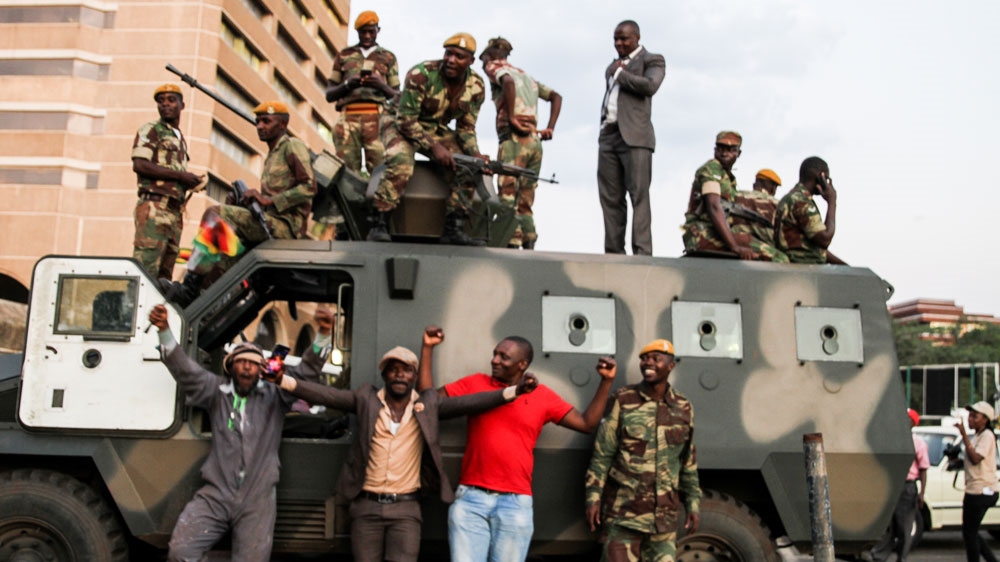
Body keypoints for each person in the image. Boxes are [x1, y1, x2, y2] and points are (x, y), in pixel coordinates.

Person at [265, 326, 538, 562]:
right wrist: (283, 380)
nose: (398, 375)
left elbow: (471, 401)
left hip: (406, 510)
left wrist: (514, 391)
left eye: (405, 370)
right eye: (392, 370)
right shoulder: (365, 399)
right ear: (384, 375)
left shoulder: (427, 406)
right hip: (366, 506)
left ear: (414, 375)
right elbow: (326, 395)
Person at [147, 304, 329, 562]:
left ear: (260, 370)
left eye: (253, 364)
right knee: (180, 552)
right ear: (231, 367)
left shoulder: (274, 396)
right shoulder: (216, 392)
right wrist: (164, 330)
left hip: (258, 499)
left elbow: (306, 372)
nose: (246, 368)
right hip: (216, 494)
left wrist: (323, 333)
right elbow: (185, 370)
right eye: (241, 362)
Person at [417, 329, 617, 562]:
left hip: (514, 504)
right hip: (471, 500)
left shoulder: (543, 396)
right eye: (495, 354)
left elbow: (586, 423)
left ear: (522, 364)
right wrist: (428, 348)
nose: (495, 360)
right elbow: (427, 403)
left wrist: (606, 381)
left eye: (504, 357)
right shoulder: (475, 383)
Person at [163, 101, 316, 306]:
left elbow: (309, 187)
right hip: (268, 221)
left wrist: (269, 200)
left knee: (214, 213)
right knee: (220, 248)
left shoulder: (292, 146)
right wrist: (242, 204)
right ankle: (202, 300)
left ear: (282, 125)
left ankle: (190, 287)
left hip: (284, 228)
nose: (260, 126)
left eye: (266, 121)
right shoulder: (271, 155)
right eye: (258, 122)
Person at [585, 339, 701, 562]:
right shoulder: (622, 399)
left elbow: (687, 461)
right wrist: (593, 498)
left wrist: (693, 503)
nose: (648, 363)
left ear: (670, 366)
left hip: (664, 521)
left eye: (656, 359)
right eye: (644, 359)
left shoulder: (683, 406)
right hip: (624, 516)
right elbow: (602, 454)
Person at [367, 33, 487, 246]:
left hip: (434, 128)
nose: (451, 60)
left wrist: (475, 154)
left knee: (469, 167)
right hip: (399, 121)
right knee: (401, 162)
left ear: (470, 61)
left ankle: (454, 227)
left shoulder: (476, 86)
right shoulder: (421, 74)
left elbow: (466, 127)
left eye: (459, 56)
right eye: (448, 54)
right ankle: (379, 222)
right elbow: (406, 120)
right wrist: (434, 148)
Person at [316, 10, 399, 241]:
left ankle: (379, 223)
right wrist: (347, 84)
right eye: (363, 32)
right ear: (358, 32)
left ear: (378, 31)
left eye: (371, 31)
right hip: (348, 118)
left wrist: (381, 85)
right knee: (345, 174)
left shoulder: (388, 57)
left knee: (380, 171)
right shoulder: (344, 55)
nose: (367, 36)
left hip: (377, 117)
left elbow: (397, 95)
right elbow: (329, 93)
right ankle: (344, 226)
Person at [479, 37, 562, 249]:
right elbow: (555, 96)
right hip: (534, 140)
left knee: (508, 194)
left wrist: (513, 117)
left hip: (514, 139)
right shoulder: (526, 76)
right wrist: (549, 127)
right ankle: (529, 238)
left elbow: (505, 81)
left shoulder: (494, 67)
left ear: (490, 54)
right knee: (525, 198)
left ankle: (512, 241)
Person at [597, 20, 665, 256]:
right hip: (609, 134)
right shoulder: (612, 66)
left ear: (636, 37)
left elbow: (649, 86)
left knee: (639, 195)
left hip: (635, 137)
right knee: (610, 197)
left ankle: (642, 253)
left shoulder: (652, 59)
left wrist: (619, 73)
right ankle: (614, 252)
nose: (619, 43)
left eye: (624, 38)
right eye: (616, 39)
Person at [131, 83, 205, 280]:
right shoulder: (152, 130)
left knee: (165, 275)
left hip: (174, 211)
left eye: (171, 100)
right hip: (155, 207)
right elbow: (140, 164)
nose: (165, 105)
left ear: (182, 105)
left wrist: (190, 181)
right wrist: (181, 176)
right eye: (161, 101)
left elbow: (170, 170)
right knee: (146, 270)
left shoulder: (179, 138)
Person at [682, 132, 788, 262]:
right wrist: (735, 247)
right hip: (703, 234)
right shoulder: (711, 169)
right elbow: (714, 206)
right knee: (780, 259)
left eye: (730, 150)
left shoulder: (728, 177)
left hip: (714, 233)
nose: (724, 153)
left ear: (738, 153)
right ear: (715, 150)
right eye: (721, 149)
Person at [865, 408, 930, 562]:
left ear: (911, 423)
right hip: (890, 486)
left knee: (904, 527)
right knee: (887, 525)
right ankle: (879, 556)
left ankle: (901, 557)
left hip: (907, 487)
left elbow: (923, 470)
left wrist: (922, 494)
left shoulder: (917, 443)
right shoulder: (890, 440)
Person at [774, 156, 846, 265]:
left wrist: (846, 267)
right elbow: (824, 239)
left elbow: (816, 247)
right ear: (820, 177)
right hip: (804, 268)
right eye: (826, 179)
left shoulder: (791, 198)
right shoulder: (801, 201)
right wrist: (832, 202)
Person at [956, 401, 999, 562]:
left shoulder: (987, 436)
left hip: (981, 490)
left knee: (969, 532)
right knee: (970, 531)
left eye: (975, 416)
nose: (970, 419)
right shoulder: (978, 436)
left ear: (985, 420)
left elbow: (975, 459)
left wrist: (964, 435)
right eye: (970, 416)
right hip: (975, 489)